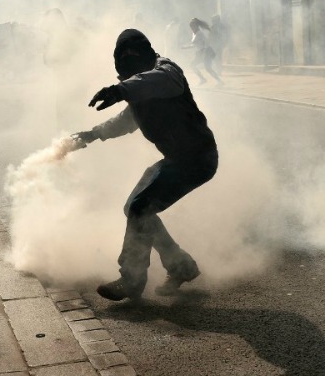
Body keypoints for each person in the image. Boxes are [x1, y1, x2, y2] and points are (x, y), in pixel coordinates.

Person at [72, 29, 219, 301]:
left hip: (198, 158)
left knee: (141, 208)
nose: (129, 65)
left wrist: (121, 90)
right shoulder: (137, 90)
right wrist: (91, 135)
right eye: (123, 61)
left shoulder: (166, 71)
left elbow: (159, 81)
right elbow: (126, 121)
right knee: (136, 208)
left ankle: (132, 280)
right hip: (176, 160)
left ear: (148, 55)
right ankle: (181, 267)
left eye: (133, 58)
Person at [185, 18, 222, 86]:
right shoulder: (194, 33)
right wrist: (185, 47)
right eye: (191, 27)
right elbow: (194, 44)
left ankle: (219, 81)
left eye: (193, 26)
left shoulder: (200, 33)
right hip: (200, 52)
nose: (192, 28)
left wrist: (204, 53)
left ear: (196, 26)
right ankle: (202, 79)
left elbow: (206, 43)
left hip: (206, 52)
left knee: (207, 68)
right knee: (193, 65)